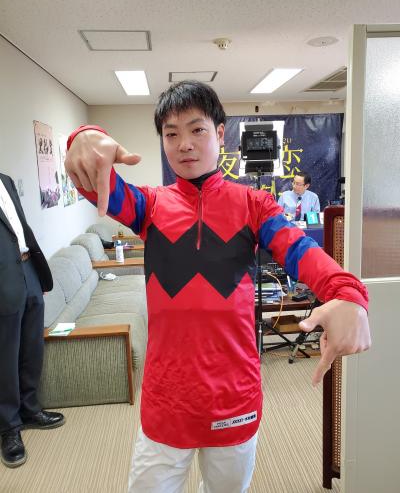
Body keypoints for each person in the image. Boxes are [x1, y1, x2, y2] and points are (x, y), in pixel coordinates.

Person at [64, 81, 370, 493]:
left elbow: (302, 252)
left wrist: (348, 293)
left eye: (197, 129)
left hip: (233, 397)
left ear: (221, 133)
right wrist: (82, 136)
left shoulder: (255, 205)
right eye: (171, 133)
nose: (184, 144)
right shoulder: (148, 205)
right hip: (166, 399)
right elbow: (92, 180)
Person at [0, 173, 65, 468]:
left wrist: (35, 273)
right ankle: (9, 427)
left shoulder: (6, 181)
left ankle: (30, 409)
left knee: (32, 348)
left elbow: (18, 228)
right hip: (4, 280)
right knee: (6, 356)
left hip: (29, 270)